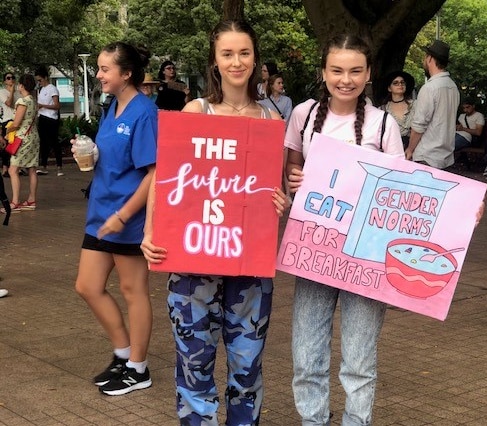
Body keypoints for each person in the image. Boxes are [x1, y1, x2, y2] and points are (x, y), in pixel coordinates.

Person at [140, 20, 289, 425]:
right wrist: (150, 232)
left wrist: (281, 202)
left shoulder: (271, 121)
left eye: (244, 53)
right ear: (215, 61)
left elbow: (275, 190)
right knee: (194, 368)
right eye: (227, 54)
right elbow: (164, 177)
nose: (236, 61)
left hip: (249, 268)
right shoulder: (196, 111)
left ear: (255, 59)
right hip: (193, 266)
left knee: (247, 370)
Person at [285, 34, 404, 426]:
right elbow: (289, 171)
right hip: (314, 249)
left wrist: (462, 211)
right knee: (307, 355)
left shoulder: (383, 123)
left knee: (359, 361)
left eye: (355, 71)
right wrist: (293, 181)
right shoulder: (303, 114)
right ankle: (313, 420)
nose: (345, 79)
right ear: (324, 72)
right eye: (337, 70)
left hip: (365, 257)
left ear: (369, 74)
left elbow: (403, 190)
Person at [73, 41, 158, 396]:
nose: (99, 74)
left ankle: (138, 367)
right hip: (100, 213)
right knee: (87, 286)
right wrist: (89, 153)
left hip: (128, 217)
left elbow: (154, 173)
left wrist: (124, 215)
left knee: (132, 290)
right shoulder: (113, 106)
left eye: (105, 69)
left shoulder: (145, 112)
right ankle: (123, 354)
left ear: (126, 74)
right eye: (99, 68)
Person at [405, 39, 460, 170]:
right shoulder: (453, 87)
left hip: (427, 156)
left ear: (430, 59)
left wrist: (410, 149)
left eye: (426, 56)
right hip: (446, 156)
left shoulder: (429, 88)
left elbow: (419, 125)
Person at [1, 74, 40, 212]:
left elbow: (16, 123)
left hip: (23, 138)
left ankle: (15, 203)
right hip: (34, 136)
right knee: (32, 169)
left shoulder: (23, 101)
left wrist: (7, 129)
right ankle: (31, 200)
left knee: (13, 169)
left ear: (21, 86)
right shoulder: (34, 101)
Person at [34, 66, 62, 176]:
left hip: (51, 118)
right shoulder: (41, 90)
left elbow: (57, 105)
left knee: (54, 142)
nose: (39, 82)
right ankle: (44, 166)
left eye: (40, 80)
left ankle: (59, 166)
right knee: (44, 143)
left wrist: (43, 106)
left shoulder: (52, 89)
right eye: (38, 81)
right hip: (42, 118)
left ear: (45, 77)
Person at [380, 70, 415, 149]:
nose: (400, 85)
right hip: (392, 149)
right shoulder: (382, 110)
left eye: (402, 82)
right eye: (395, 83)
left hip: (414, 149)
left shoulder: (415, 106)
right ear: (389, 88)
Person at [0, 72, 16, 177]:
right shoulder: (2, 92)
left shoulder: (18, 92)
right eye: (8, 78)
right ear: (5, 81)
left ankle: (15, 167)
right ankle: (5, 168)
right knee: (6, 145)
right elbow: (9, 103)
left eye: (12, 78)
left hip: (16, 120)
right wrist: (11, 92)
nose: (11, 80)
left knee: (16, 145)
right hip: (6, 121)